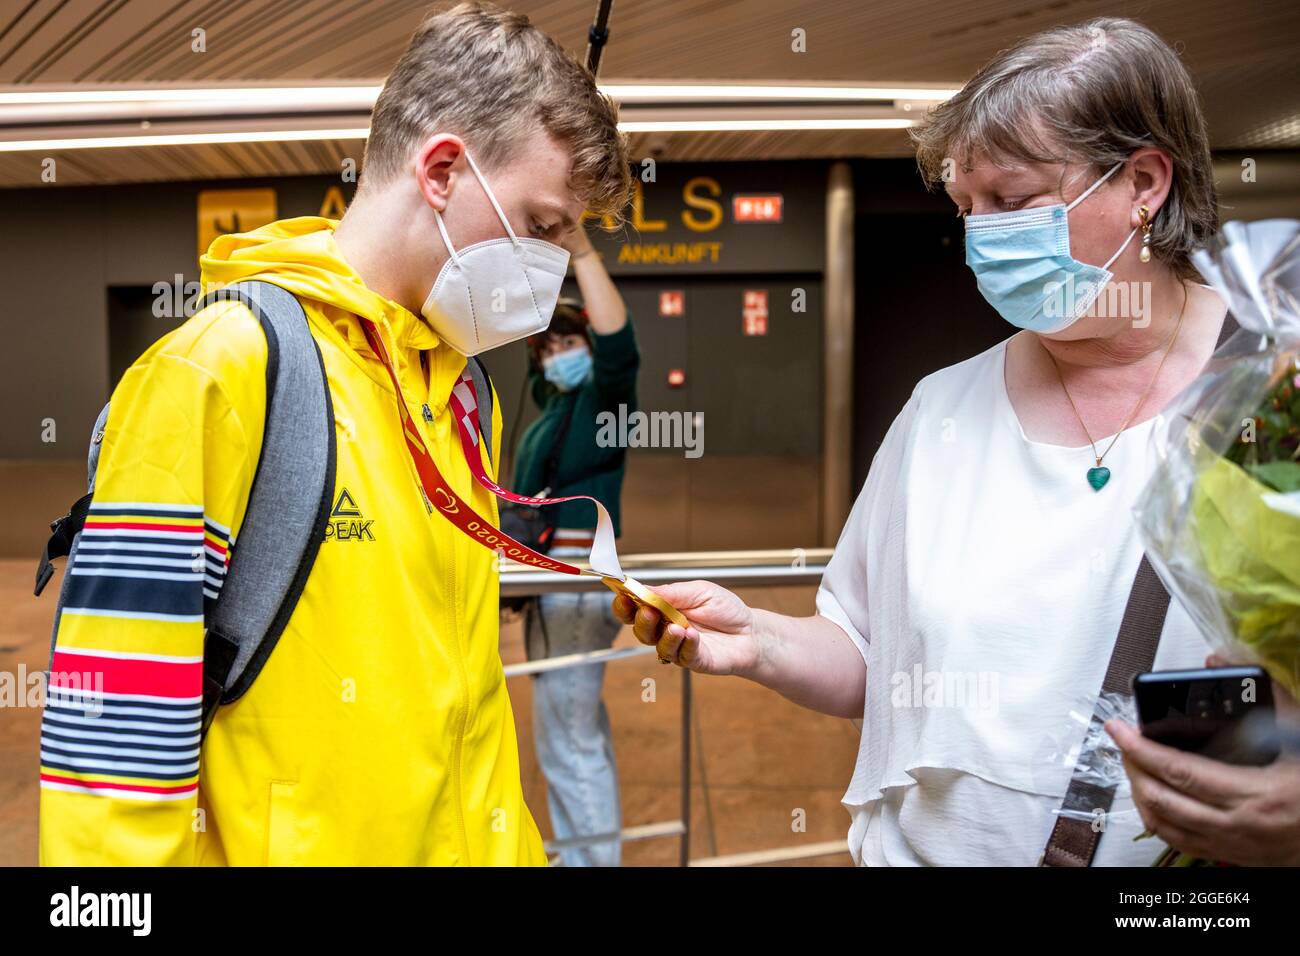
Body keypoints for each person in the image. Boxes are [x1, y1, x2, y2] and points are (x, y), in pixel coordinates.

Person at [612, 17, 1300, 866]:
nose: (981, 236)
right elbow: (871, 652)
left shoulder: (1273, 405)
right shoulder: (940, 413)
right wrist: (759, 639)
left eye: (1012, 201)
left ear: (1144, 183)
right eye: (967, 206)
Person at [38, 1, 630, 866]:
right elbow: (113, 740)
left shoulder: (461, 390)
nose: (544, 269)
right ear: (440, 170)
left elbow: (463, 698)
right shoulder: (222, 369)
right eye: (540, 227)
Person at [512, 226, 639, 866]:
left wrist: (582, 254)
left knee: (568, 735)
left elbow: (619, 350)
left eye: (569, 341)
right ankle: (583, 849)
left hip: (575, 583)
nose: (557, 354)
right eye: (547, 348)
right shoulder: (549, 413)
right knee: (572, 726)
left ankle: (591, 859)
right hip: (548, 589)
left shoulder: (600, 400)